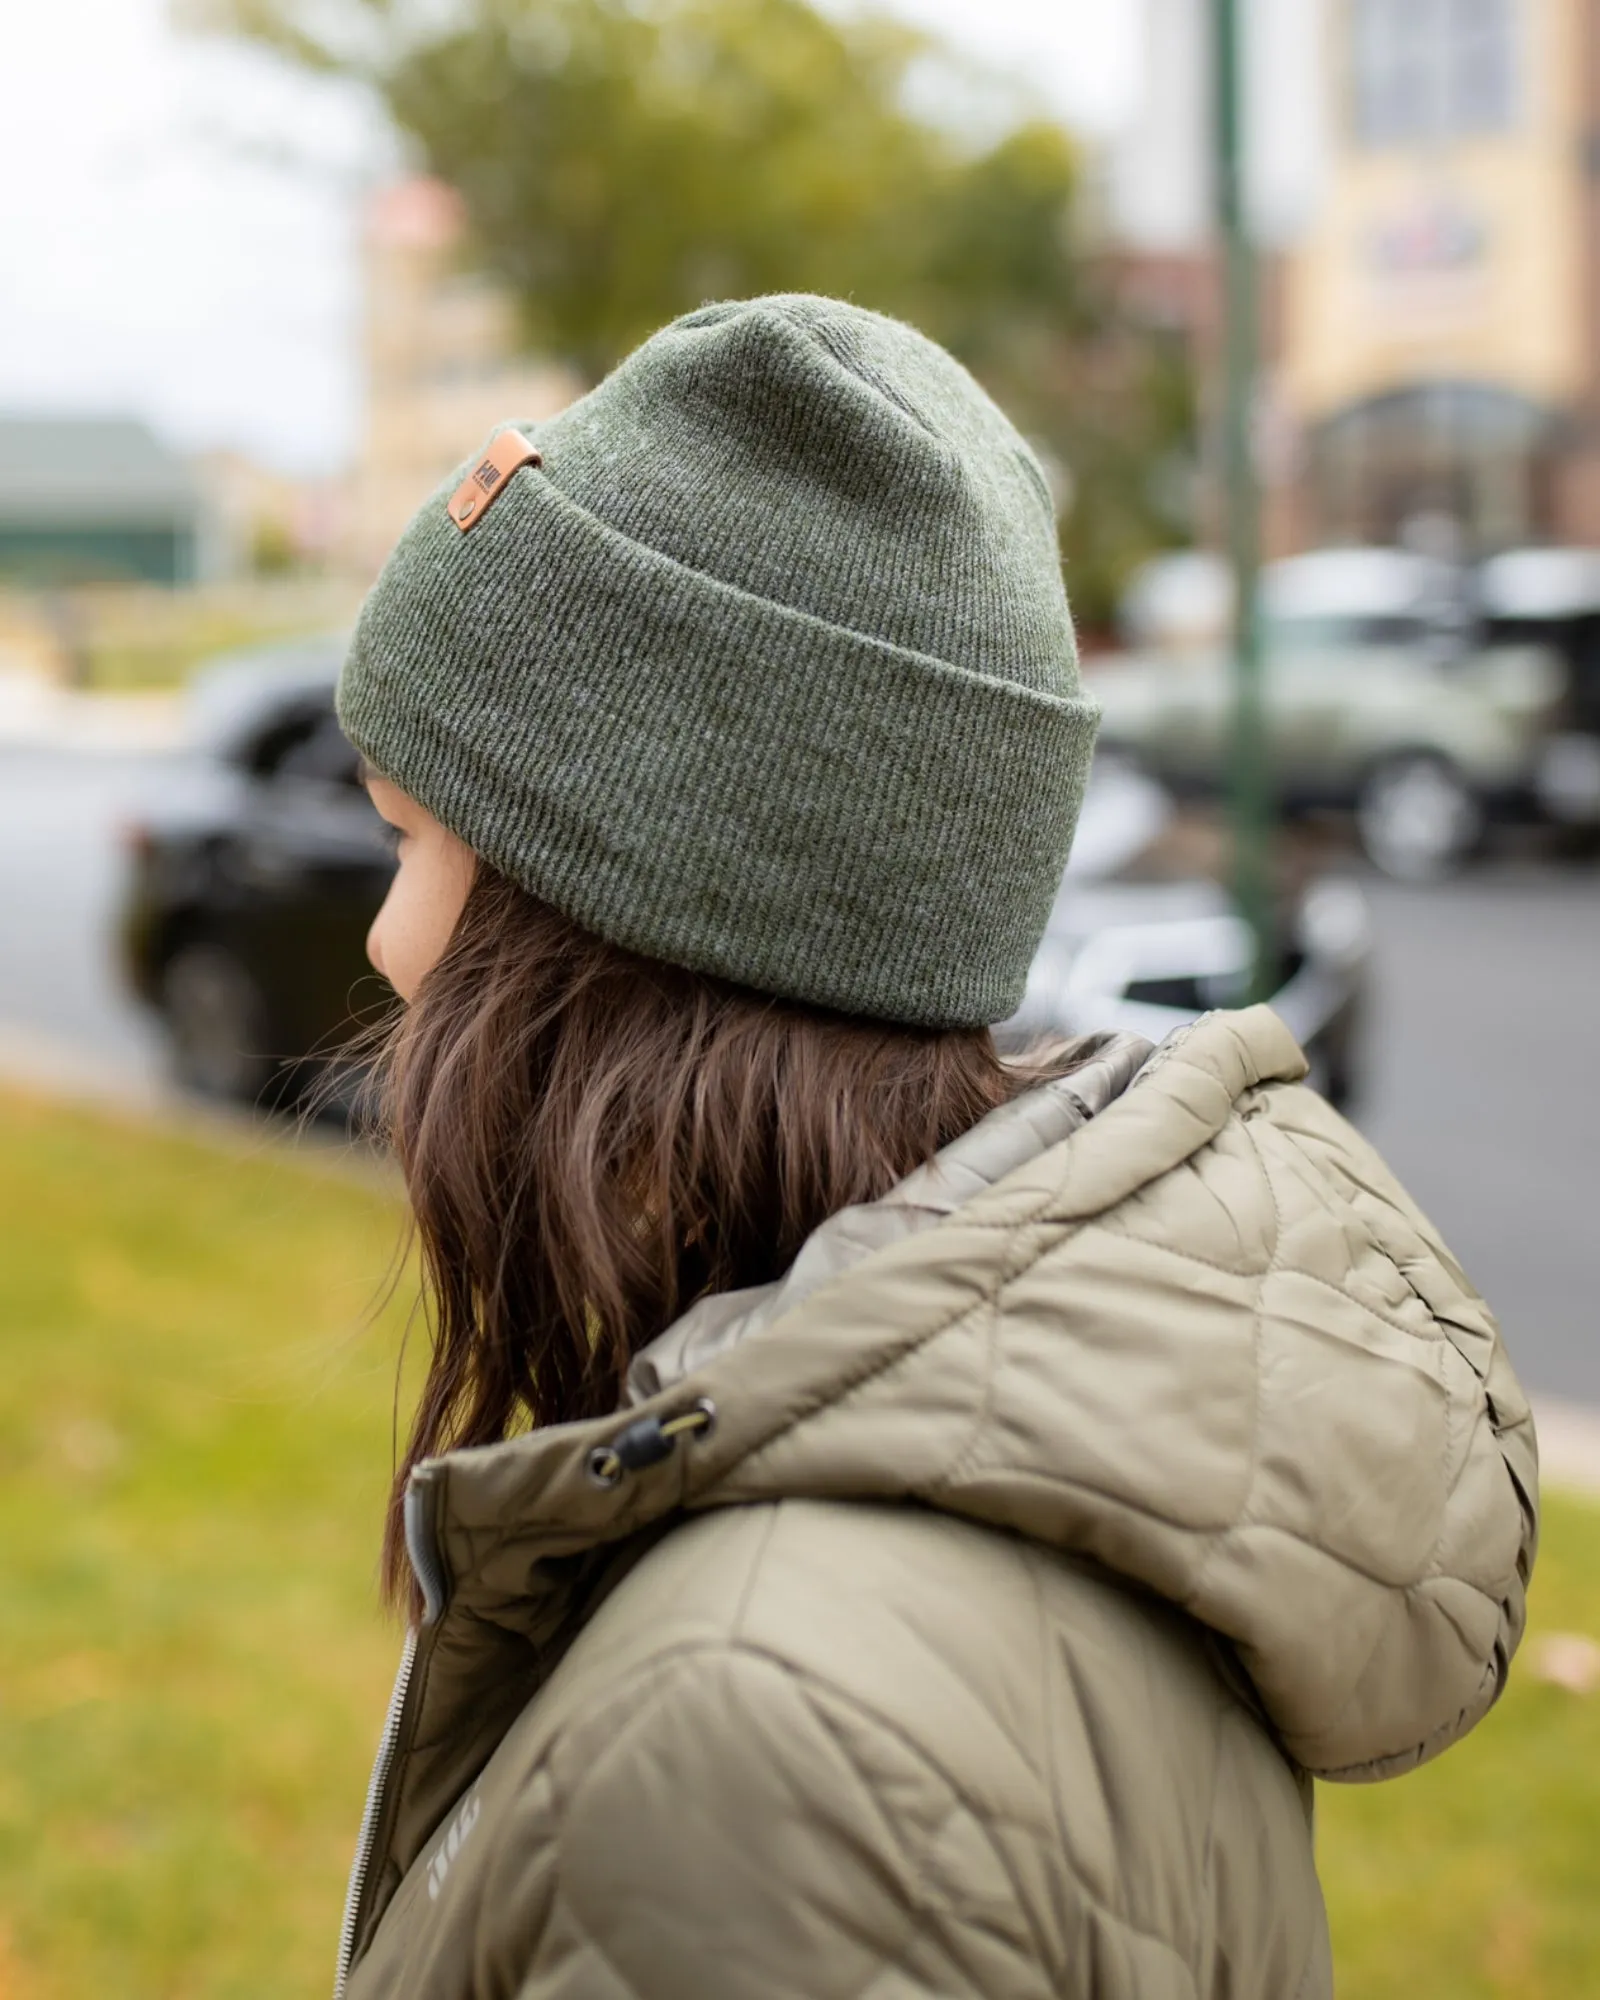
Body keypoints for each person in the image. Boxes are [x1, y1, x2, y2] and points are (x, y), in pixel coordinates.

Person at [330, 296, 1537, 2000]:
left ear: (628, 919)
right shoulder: (1041, 1469)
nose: (388, 943)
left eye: (412, 841)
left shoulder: (750, 1748)